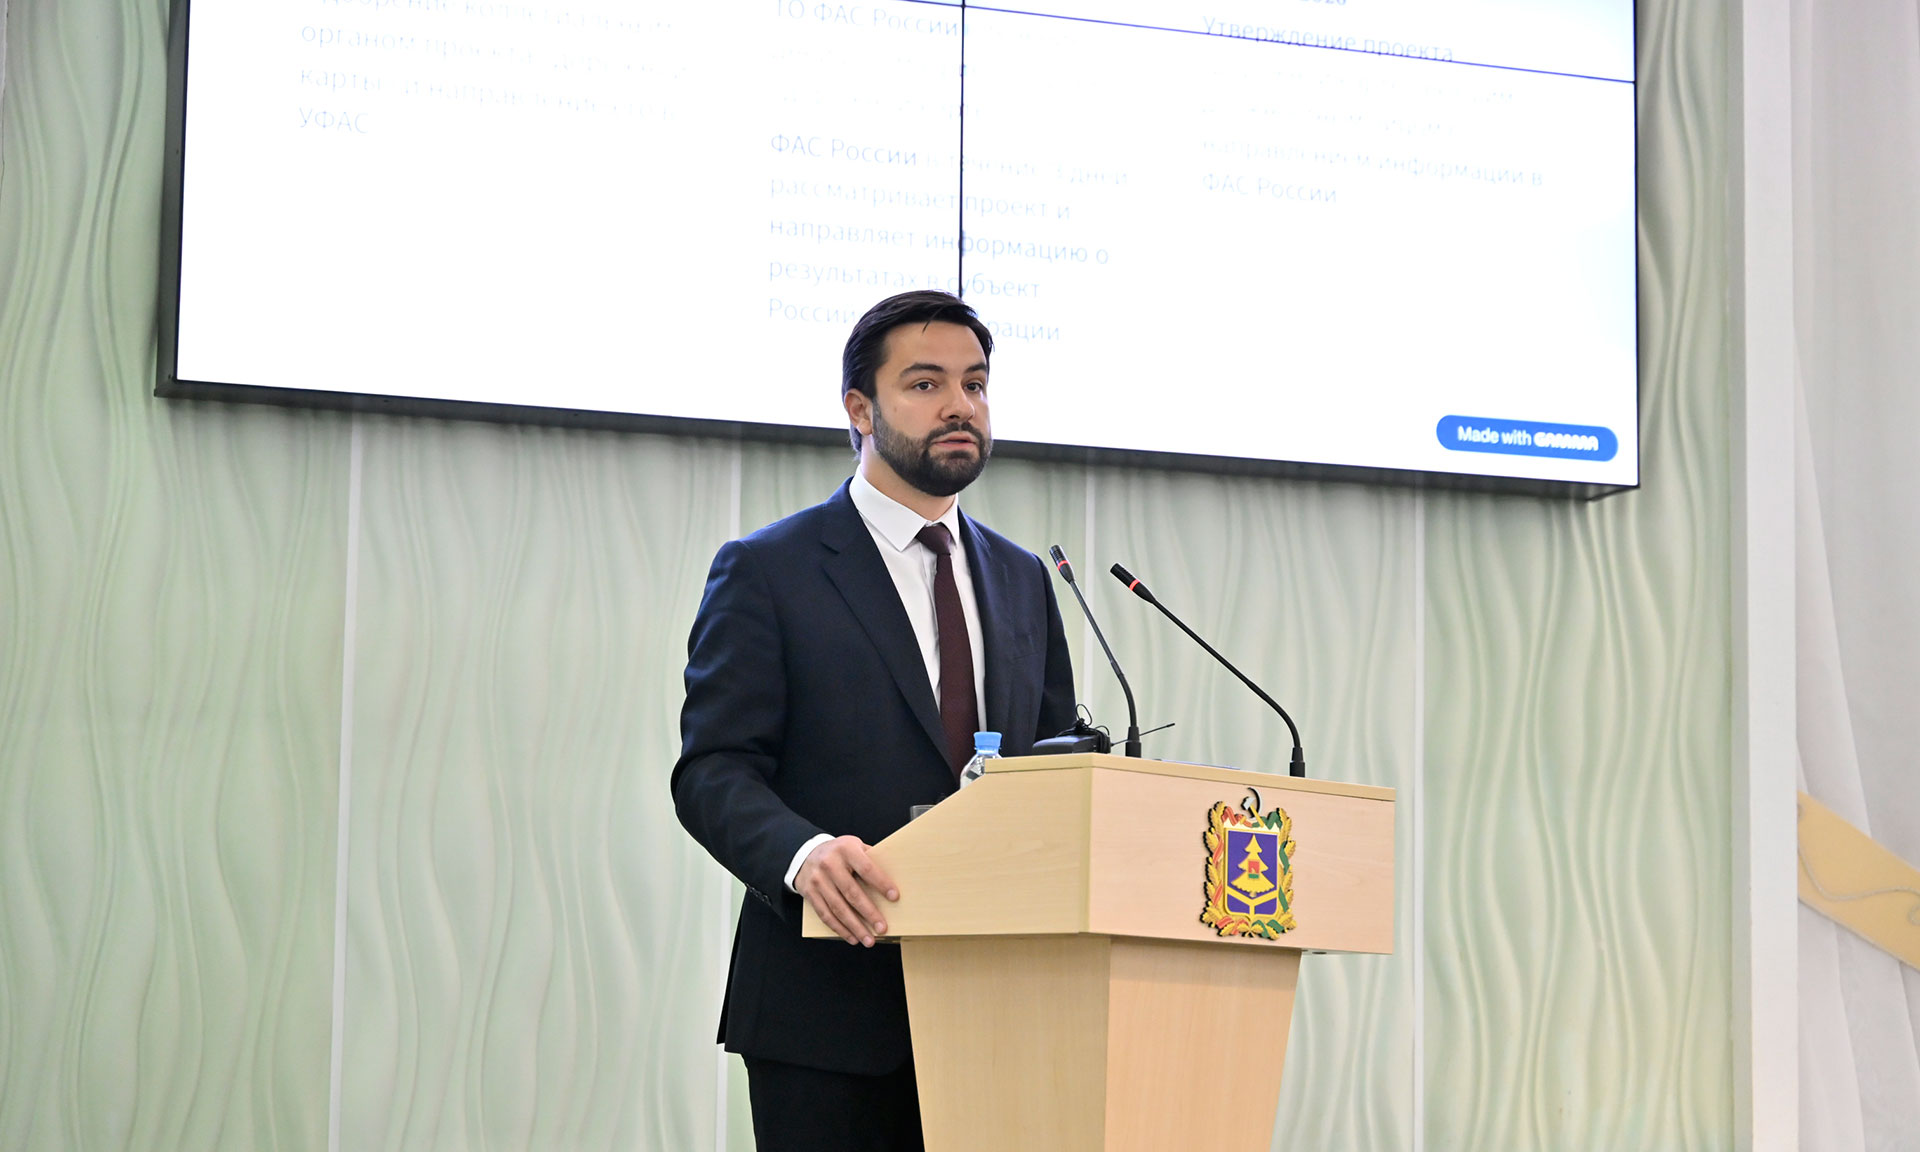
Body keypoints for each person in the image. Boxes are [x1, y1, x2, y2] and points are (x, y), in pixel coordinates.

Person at [671, 290, 1078, 1151]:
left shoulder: (1022, 580)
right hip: (829, 1014)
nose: (960, 405)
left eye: (975, 384)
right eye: (926, 384)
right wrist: (802, 854)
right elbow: (712, 770)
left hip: (1002, 1012)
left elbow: (1050, 769)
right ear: (860, 410)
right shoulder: (769, 569)